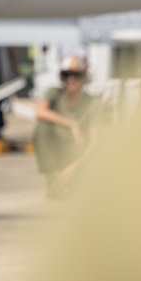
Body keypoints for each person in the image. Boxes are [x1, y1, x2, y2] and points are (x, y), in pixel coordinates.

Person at [32, 54, 101, 199]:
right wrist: (72, 125)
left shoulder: (92, 103)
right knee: (42, 128)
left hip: (79, 153)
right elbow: (39, 112)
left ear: (84, 79)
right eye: (66, 74)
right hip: (57, 148)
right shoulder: (55, 93)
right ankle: (52, 179)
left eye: (76, 75)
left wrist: (76, 166)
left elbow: (95, 142)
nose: (71, 79)